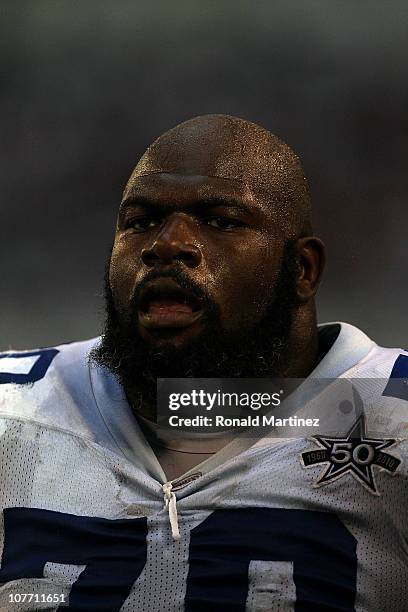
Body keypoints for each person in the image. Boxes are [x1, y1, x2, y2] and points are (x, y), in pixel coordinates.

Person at [0, 114, 406, 611]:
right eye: (140, 221)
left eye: (220, 220)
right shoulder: (13, 411)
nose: (165, 245)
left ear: (302, 269)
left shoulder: (390, 415)